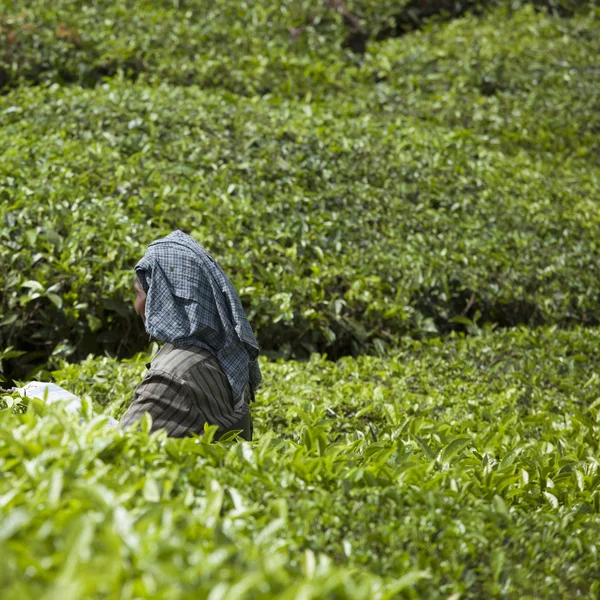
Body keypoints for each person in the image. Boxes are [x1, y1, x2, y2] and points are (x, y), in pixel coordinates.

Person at [120, 230, 261, 440]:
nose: (136, 305)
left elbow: (119, 445)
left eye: (139, 293)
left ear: (163, 296)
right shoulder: (229, 356)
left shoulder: (174, 375)